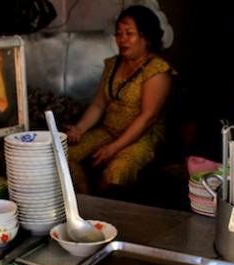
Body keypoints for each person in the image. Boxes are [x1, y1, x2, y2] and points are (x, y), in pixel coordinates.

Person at [66, 5, 173, 193]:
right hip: (108, 130)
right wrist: (79, 128)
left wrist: (113, 148)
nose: (122, 39)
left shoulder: (157, 70)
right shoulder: (113, 63)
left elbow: (148, 117)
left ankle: (105, 211)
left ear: (145, 37)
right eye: (118, 34)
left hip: (142, 136)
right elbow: (99, 104)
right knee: (65, 155)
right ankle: (86, 202)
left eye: (129, 33)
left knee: (117, 169)